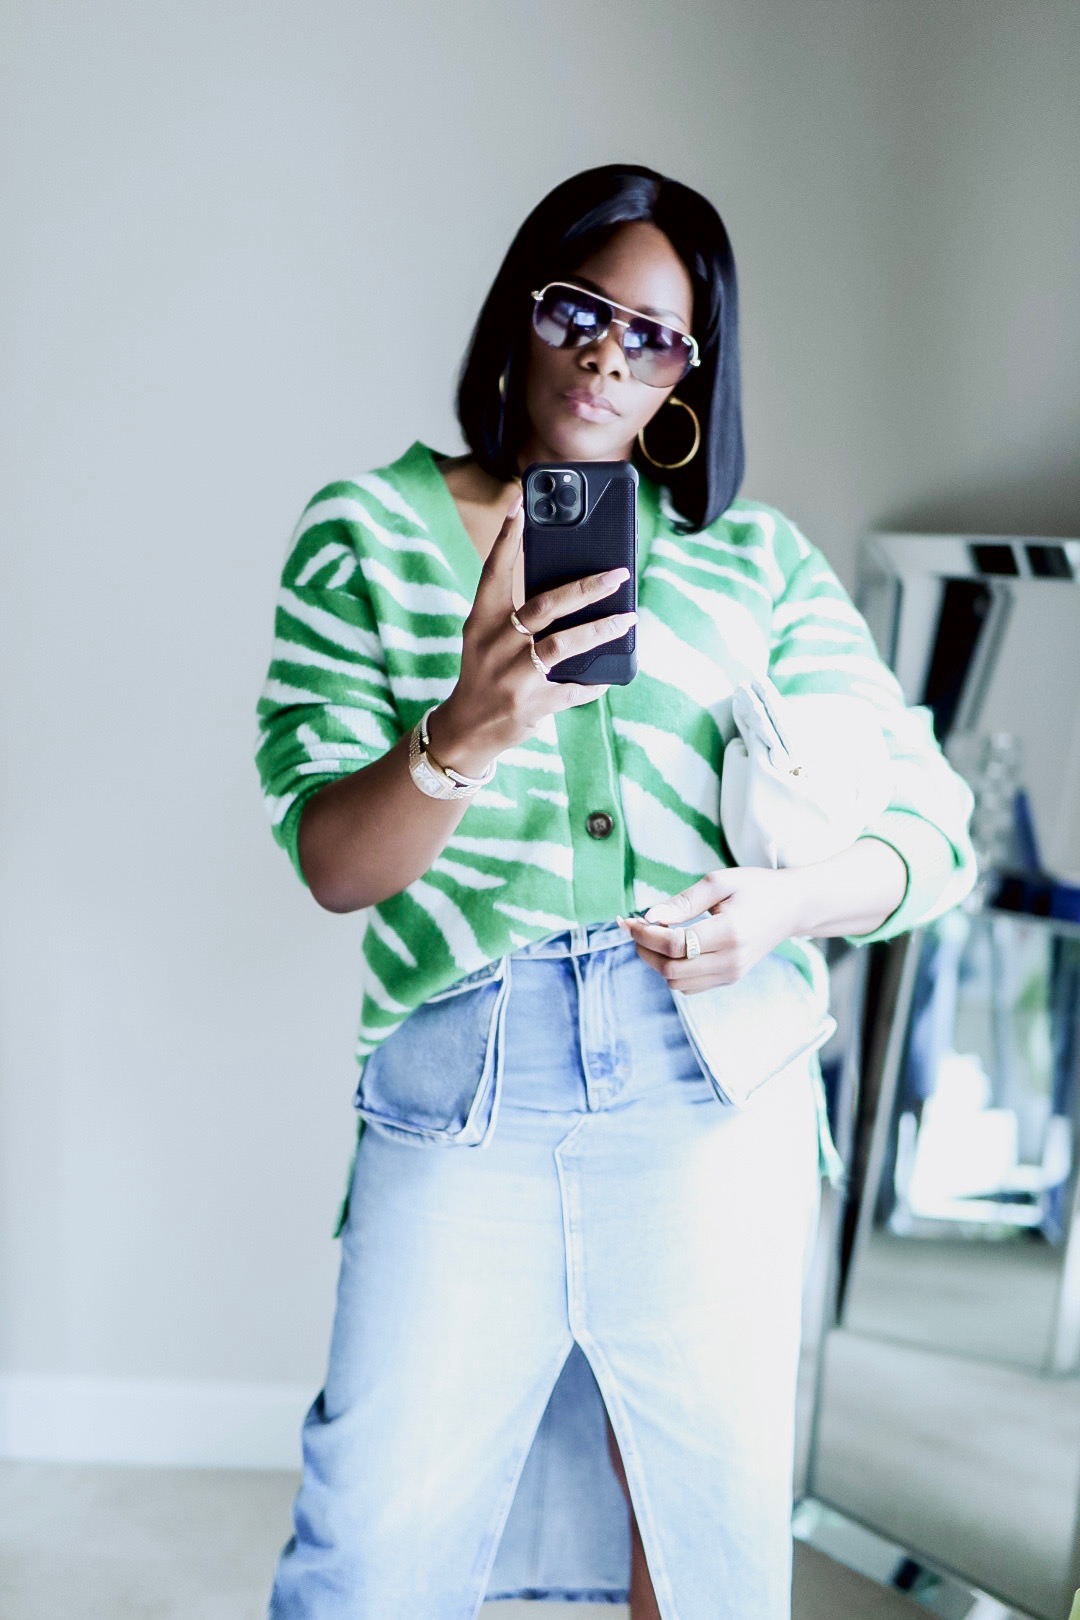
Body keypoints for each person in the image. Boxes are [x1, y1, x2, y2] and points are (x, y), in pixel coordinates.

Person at [254, 163, 977, 1620]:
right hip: (466, 1079)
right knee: (373, 1549)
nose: (607, 354)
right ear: (519, 321)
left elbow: (929, 827)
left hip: (715, 1076)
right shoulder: (368, 529)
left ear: (690, 378)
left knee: (702, 1547)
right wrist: (464, 731)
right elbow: (336, 865)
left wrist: (775, 910)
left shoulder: (751, 559)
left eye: (655, 335)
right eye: (580, 311)